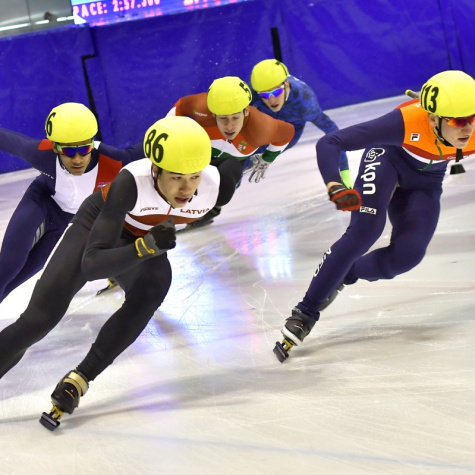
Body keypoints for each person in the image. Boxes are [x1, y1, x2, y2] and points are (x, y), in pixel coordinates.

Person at [0, 116, 242, 430]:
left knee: (155, 286)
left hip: (144, 237)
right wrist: (145, 247)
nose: (186, 188)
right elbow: (92, 265)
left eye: (194, 177)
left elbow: (234, 164)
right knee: (38, 321)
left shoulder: (216, 189)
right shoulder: (131, 182)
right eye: (176, 178)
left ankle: (79, 379)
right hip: (97, 230)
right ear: (155, 169)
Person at [273, 70, 475, 362]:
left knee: (407, 256)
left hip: (425, 181)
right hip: (387, 159)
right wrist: (335, 184)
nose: (467, 128)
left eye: (472, 118)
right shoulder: (405, 122)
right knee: (365, 231)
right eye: (457, 121)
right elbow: (330, 142)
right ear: (433, 119)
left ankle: (347, 272)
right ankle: (305, 312)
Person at [0, 102, 145, 304]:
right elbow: (7, 140)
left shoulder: (113, 161)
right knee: (9, 264)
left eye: (85, 149)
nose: (77, 159)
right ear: (55, 147)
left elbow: (151, 148)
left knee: (31, 268)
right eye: (68, 151)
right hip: (42, 202)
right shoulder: (41, 154)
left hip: (69, 218)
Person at [167, 76, 295, 230]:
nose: (230, 126)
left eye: (235, 118)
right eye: (223, 118)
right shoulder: (201, 107)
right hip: (199, 150)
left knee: (224, 189)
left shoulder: (262, 128)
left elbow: (288, 132)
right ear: (213, 114)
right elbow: (180, 106)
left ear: (246, 112)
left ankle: (211, 210)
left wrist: (268, 158)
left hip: (232, 160)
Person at [250, 59, 352, 188]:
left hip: (291, 128)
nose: (271, 99)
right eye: (264, 95)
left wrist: (344, 172)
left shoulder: (304, 102)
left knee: (253, 156)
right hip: (266, 122)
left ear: (287, 85)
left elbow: (333, 133)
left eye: (276, 92)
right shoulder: (254, 94)